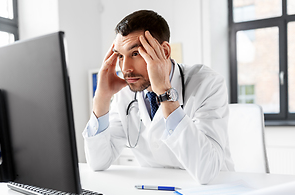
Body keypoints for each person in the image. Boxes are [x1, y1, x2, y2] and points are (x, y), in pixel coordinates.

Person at [82, 10, 234, 184]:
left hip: (215, 191)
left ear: (165, 51)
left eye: (135, 54)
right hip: (157, 192)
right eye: (120, 56)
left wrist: (165, 93)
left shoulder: (208, 83)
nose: (126, 68)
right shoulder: (126, 92)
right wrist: (101, 98)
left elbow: (207, 170)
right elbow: (98, 162)